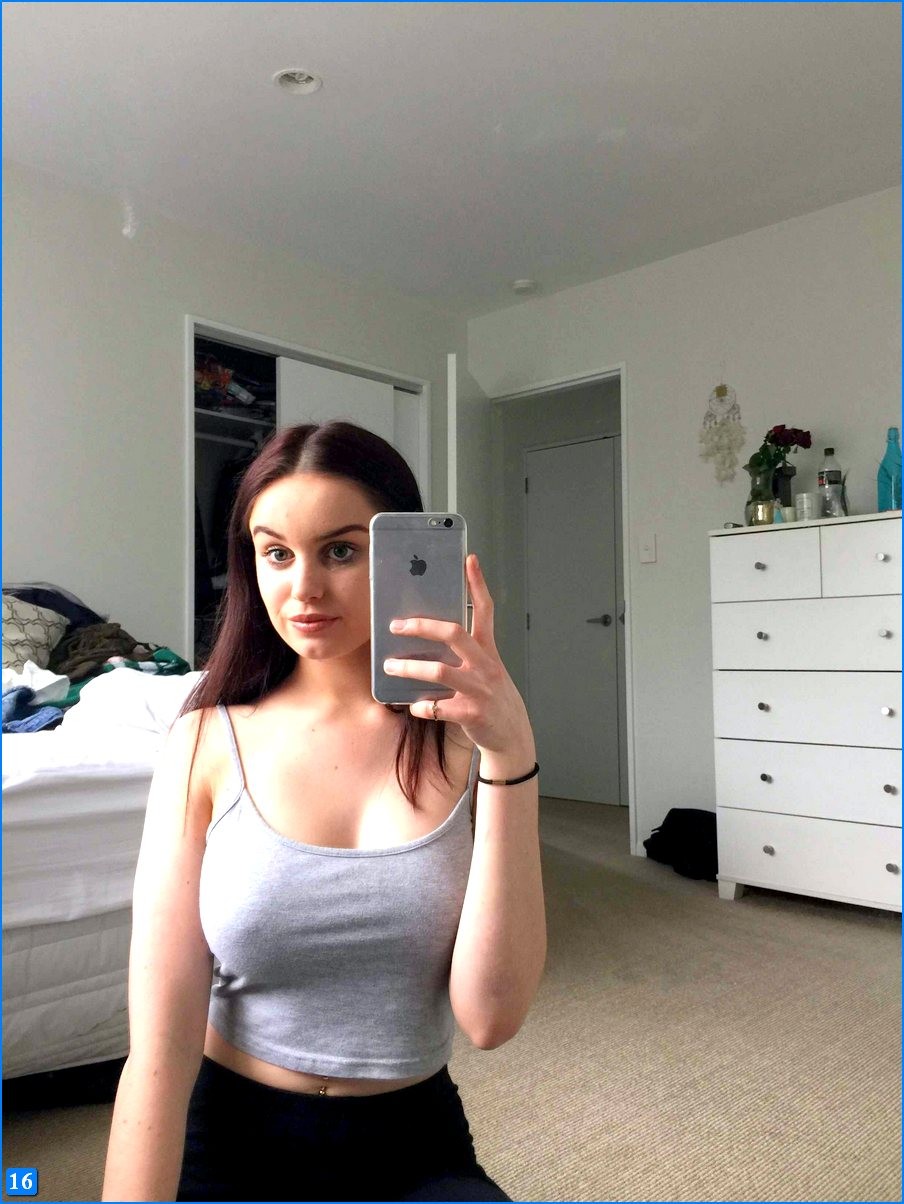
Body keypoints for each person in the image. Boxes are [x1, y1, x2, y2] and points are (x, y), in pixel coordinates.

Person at [102, 420, 546, 1203]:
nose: (303, 588)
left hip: (413, 1144)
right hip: (231, 1137)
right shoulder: (207, 740)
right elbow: (161, 1052)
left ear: (403, 555)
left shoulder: (465, 741)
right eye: (276, 553)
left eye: (341, 551)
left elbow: (490, 1018)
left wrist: (513, 756)